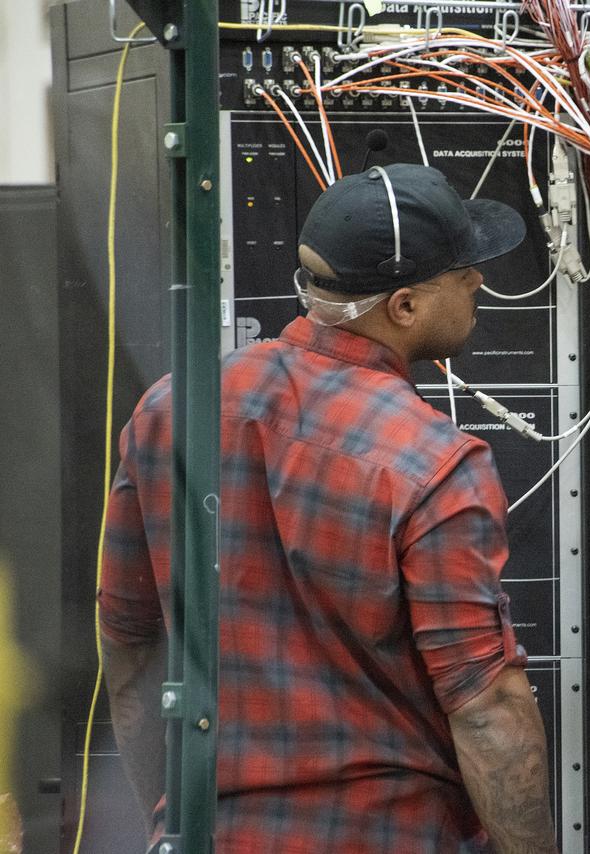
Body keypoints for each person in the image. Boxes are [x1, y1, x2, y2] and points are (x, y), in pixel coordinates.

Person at [99, 164, 559, 854]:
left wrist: (172, 818)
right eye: (465, 272)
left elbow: (129, 644)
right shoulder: (433, 461)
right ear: (403, 307)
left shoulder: (169, 409)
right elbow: (486, 705)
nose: (479, 283)